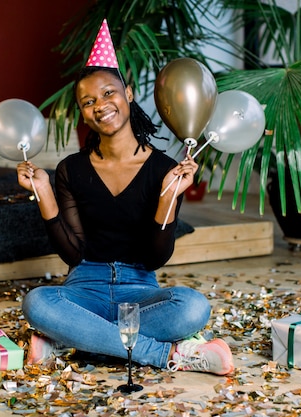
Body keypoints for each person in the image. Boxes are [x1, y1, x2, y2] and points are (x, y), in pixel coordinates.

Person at [15, 21, 233, 376]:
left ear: (128, 93)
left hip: (140, 290)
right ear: (82, 113)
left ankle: (72, 338)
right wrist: (43, 193)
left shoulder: (165, 168)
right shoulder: (72, 169)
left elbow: (154, 259)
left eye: (108, 93)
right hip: (85, 286)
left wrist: (168, 200)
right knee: (37, 303)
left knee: (193, 307)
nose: (100, 105)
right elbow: (73, 254)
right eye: (88, 102)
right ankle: (169, 355)